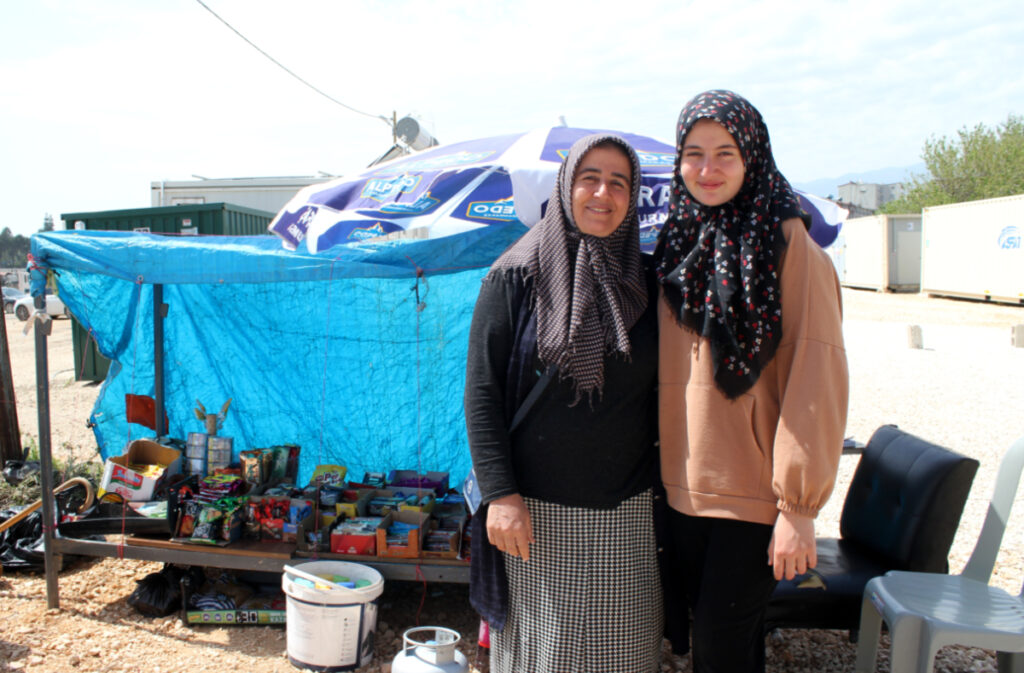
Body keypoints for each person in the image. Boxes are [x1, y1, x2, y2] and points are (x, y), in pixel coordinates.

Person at [654, 90, 849, 672]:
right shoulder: (677, 243)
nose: (707, 170)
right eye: (693, 153)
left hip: (755, 500)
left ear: (754, 157)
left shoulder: (793, 250)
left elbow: (816, 379)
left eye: (725, 153)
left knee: (723, 650)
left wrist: (799, 507)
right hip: (679, 491)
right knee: (701, 642)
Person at [464, 133, 664, 673]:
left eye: (619, 182)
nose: (603, 193)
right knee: (544, 661)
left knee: (624, 657)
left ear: (633, 196)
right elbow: (481, 395)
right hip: (534, 515)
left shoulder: (648, 281)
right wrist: (501, 495)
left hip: (627, 513)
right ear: (566, 184)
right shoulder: (514, 275)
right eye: (589, 178)